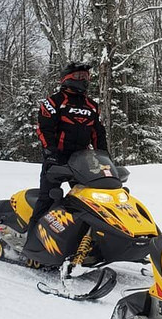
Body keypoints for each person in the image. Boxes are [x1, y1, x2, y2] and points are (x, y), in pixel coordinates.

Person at [26, 62, 109, 229]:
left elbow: (98, 134)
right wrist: (51, 152)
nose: (84, 80)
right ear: (67, 78)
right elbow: (44, 129)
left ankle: (87, 239)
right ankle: (32, 241)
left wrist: (104, 158)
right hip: (57, 158)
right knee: (48, 198)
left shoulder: (92, 106)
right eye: (79, 76)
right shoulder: (54, 102)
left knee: (90, 200)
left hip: (81, 161)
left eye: (86, 77)